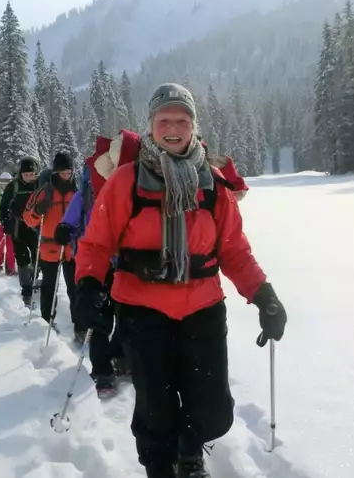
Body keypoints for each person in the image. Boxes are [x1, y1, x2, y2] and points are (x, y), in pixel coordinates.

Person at [73, 83, 287, 478]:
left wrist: (263, 294)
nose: (173, 128)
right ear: (151, 126)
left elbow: (234, 251)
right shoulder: (125, 182)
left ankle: (191, 450)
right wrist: (87, 285)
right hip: (142, 311)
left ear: (193, 127)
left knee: (213, 409)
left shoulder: (214, 186)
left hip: (203, 309)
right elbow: (95, 244)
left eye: (182, 120)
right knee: (155, 406)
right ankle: (161, 466)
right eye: (164, 120)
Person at [55, 130, 141, 398]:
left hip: (129, 261)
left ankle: (120, 357)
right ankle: (102, 371)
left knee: (125, 316)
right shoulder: (91, 182)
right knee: (99, 317)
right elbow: (76, 209)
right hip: (97, 259)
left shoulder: (141, 180)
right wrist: (65, 228)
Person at [22, 152, 79, 336]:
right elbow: (28, 219)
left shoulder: (77, 191)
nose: (67, 175)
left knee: (75, 289)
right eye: (63, 172)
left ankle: (80, 325)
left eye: (69, 171)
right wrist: (37, 212)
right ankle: (47, 320)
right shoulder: (45, 192)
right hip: (49, 248)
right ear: (56, 172)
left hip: (72, 249)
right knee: (49, 287)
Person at [0, 157, 40, 304]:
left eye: (32, 174)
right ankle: (26, 290)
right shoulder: (13, 186)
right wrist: (5, 222)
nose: (29, 177)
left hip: (36, 227)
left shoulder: (39, 185)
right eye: (26, 174)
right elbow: (3, 206)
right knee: (22, 258)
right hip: (18, 226)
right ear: (21, 174)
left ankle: (33, 276)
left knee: (38, 256)